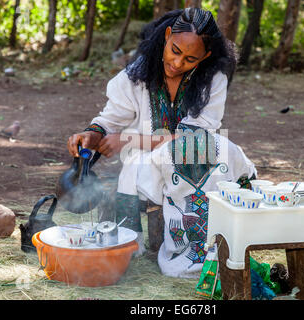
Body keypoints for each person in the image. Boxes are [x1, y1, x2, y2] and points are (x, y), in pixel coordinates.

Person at [66, 8, 242, 255]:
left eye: (190, 60)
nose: (178, 63)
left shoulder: (213, 79)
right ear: (168, 36)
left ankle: (196, 249)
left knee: (220, 149)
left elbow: (194, 139)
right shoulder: (138, 74)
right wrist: (93, 134)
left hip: (193, 161)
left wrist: (128, 139)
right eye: (175, 51)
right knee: (140, 167)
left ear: (205, 57)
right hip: (146, 163)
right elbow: (111, 118)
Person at [137, 123, 257, 278]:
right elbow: (248, 180)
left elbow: (149, 197)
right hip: (227, 263)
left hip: (176, 267)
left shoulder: (161, 154)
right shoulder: (229, 148)